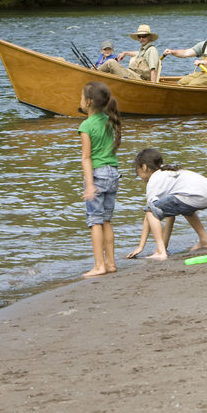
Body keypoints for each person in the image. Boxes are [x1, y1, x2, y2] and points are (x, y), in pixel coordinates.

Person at [125, 148, 207, 261]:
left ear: (144, 167)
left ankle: (160, 252)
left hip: (196, 195)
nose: (139, 175)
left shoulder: (154, 180)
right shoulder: (167, 173)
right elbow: (170, 215)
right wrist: (165, 244)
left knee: (150, 210)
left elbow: (149, 214)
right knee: (183, 207)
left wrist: (140, 247)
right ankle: (205, 240)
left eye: (137, 171)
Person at [78, 81, 122, 278]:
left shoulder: (86, 125)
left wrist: (89, 185)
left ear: (88, 102)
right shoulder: (108, 119)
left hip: (97, 174)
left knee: (94, 221)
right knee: (106, 220)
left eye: (81, 97)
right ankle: (110, 263)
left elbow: (86, 157)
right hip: (113, 172)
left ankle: (98, 265)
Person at [164, 20, 207, 86]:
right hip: (205, 73)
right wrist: (172, 52)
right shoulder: (204, 44)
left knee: (193, 85)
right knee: (182, 82)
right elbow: (185, 53)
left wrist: (202, 62)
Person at [97, 24, 161, 82]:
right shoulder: (144, 50)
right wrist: (125, 53)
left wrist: (152, 86)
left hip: (139, 80)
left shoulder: (152, 50)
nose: (141, 39)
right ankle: (96, 75)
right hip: (132, 74)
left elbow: (153, 70)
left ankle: (94, 73)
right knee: (111, 71)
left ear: (149, 37)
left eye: (144, 36)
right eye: (139, 36)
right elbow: (137, 53)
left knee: (111, 62)